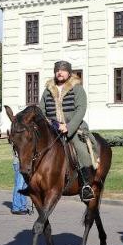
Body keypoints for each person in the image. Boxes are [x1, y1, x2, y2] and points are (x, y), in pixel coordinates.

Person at [40, 60, 97, 202]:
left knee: (80, 149)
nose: (60, 72)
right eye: (57, 70)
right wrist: (47, 124)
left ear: (69, 73)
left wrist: (69, 127)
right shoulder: (48, 90)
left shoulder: (77, 88)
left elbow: (81, 109)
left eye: (63, 70)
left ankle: (86, 185)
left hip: (74, 128)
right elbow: (42, 111)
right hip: (52, 129)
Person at [10, 147, 31, 214]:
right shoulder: (18, 138)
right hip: (20, 163)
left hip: (25, 164)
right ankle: (16, 208)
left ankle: (23, 207)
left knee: (24, 186)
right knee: (19, 185)